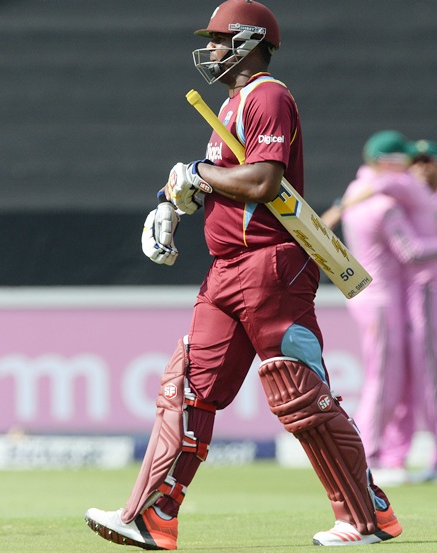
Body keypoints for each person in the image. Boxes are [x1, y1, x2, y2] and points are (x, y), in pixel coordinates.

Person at [84, 1, 401, 548]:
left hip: (272, 261)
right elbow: (224, 178)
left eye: (216, 39)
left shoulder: (269, 96)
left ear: (250, 42)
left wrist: (199, 173)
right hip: (226, 269)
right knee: (188, 387)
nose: (208, 49)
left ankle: (365, 515)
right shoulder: (229, 105)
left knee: (296, 389)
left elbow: (261, 183)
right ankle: (152, 515)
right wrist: (174, 198)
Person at [323, 134, 437, 485]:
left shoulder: (367, 189)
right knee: (385, 380)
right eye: (409, 160)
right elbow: (411, 252)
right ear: (389, 162)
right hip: (383, 300)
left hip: (385, 298)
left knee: (399, 380)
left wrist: (336, 211)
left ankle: (387, 455)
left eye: (422, 161)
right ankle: (368, 455)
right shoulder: (384, 200)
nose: (415, 168)